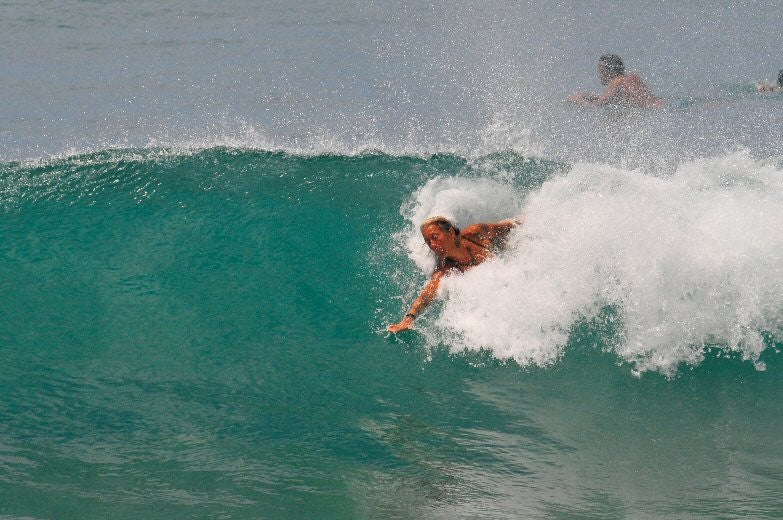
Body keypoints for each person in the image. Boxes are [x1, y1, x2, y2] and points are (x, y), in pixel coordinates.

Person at [387, 215, 521, 333]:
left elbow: (510, 226)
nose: (432, 245)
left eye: (435, 237)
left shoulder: (477, 233)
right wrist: (409, 319)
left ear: (450, 231)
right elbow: (427, 294)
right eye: (428, 242)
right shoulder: (446, 268)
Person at [569, 54, 665, 107]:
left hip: (653, 108)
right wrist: (587, 96)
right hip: (662, 103)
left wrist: (579, 101)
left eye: (600, 71)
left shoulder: (616, 82)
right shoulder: (632, 77)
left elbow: (599, 104)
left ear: (607, 71)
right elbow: (612, 97)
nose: (599, 75)